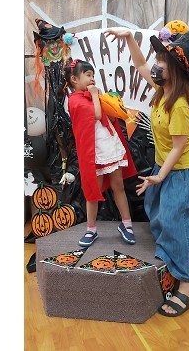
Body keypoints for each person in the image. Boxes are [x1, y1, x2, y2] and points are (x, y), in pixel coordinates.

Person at [104, 18, 189, 317]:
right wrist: (129, 38)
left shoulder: (180, 104)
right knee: (158, 214)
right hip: (164, 168)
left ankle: (187, 285)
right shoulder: (162, 92)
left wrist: (159, 176)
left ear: (176, 69)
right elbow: (140, 65)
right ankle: (172, 260)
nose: (156, 65)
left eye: (163, 61)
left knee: (181, 224)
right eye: (158, 58)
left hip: (181, 172)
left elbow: (179, 147)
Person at [64, 59, 138, 247]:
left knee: (118, 186)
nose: (92, 79)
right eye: (88, 75)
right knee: (92, 192)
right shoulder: (75, 100)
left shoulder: (93, 96)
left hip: (109, 146)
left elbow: (108, 117)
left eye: (93, 76)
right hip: (93, 153)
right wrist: (96, 96)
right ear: (74, 79)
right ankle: (91, 229)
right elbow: (96, 114)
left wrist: (112, 105)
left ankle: (127, 224)